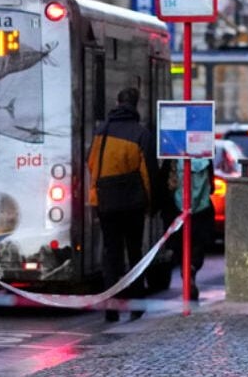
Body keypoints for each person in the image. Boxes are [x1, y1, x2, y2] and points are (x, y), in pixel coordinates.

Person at [87, 87, 160, 322]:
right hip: (133, 203)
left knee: (111, 255)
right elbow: (148, 173)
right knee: (135, 252)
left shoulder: (102, 131)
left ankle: (111, 308)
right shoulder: (141, 134)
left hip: (106, 201)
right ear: (136, 105)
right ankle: (136, 305)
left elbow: (92, 164)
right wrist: (151, 204)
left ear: (118, 102)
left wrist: (96, 195)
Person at [166, 158, 216, 302]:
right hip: (202, 209)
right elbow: (211, 187)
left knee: (180, 246)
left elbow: (164, 182)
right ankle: (192, 267)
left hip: (177, 210)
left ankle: (185, 270)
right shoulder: (205, 157)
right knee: (198, 244)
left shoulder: (173, 156)